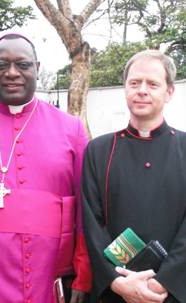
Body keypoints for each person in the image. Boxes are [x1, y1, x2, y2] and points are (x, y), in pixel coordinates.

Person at [0, 33, 91, 303]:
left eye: (22, 64)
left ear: (37, 69)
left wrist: (84, 273)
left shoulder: (72, 130)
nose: (11, 73)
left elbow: (87, 211)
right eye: (1, 65)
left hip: (51, 272)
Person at [82, 49, 186, 303]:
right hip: (117, 290)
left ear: (169, 91)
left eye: (152, 84)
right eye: (134, 83)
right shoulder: (98, 150)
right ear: (125, 88)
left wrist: (164, 282)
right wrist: (118, 283)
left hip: (173, 291)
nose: (142, 90)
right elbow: (91, 224)